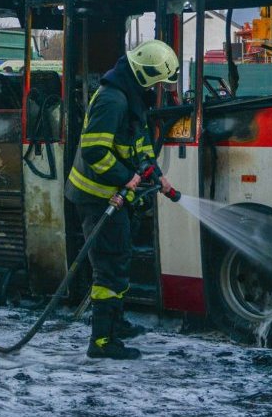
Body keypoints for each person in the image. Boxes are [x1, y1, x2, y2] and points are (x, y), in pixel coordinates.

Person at [65, 39, 179, 360]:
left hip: (112, 195)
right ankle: (102, 341)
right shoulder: (112, 100)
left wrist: (156, 176)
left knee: (119, 260)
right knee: (109, 268)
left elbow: (139, 144)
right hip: (96, 198)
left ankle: (115, 323)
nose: (158, 89)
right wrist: (125, 177)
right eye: (157, 82)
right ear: (145, 75)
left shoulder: (129, 96)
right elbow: (94, 151)